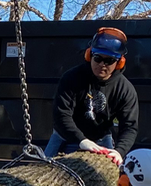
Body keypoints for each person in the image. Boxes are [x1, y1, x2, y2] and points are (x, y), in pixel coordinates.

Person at [44, 26, 140, 163]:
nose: (102, 64)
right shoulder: (71, 78)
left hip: (101, 139)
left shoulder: (125, 89)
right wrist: (81, 140)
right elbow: (61, 115)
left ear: (119, 62)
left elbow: (129, 126)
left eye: (109, 60)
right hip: (66, 137)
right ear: (89, 55)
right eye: (98, 58)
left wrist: (119, 151)